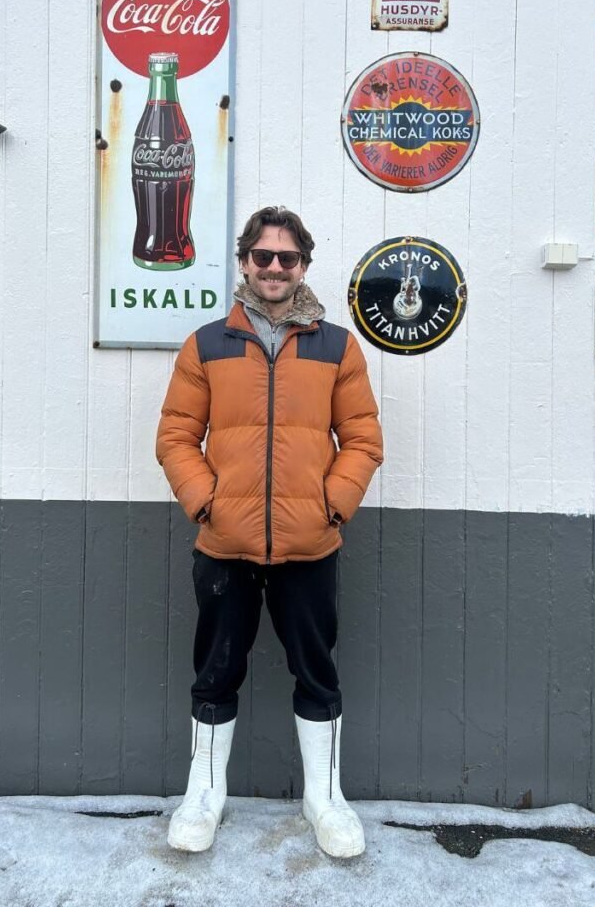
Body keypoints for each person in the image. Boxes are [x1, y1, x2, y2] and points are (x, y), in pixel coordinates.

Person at [156, 206, 383, 857]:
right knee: (214, 671)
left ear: (303, 266)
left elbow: (363, 440)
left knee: (316, 671)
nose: (274, 268)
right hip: (223, 545)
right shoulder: (207, 344)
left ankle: (324, 798)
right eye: (263, 257)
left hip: (310, 545)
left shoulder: (336, 346)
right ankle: (204, 794)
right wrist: (207, 504)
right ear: (245, 263)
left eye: (287, 258)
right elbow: (175, 437)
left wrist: (330, 509)